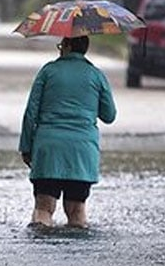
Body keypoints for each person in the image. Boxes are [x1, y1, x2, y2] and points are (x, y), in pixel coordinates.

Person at [18, 34, 117, 228]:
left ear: (68, 45)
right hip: (82, 152)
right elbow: (109, 115)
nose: (60, 48)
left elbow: (31, 113)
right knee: (77, 212)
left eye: (61, 44)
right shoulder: (96, 75)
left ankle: (40, 254)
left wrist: (26, 147)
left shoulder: (48, 71)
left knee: (43, 209)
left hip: (49, 150)